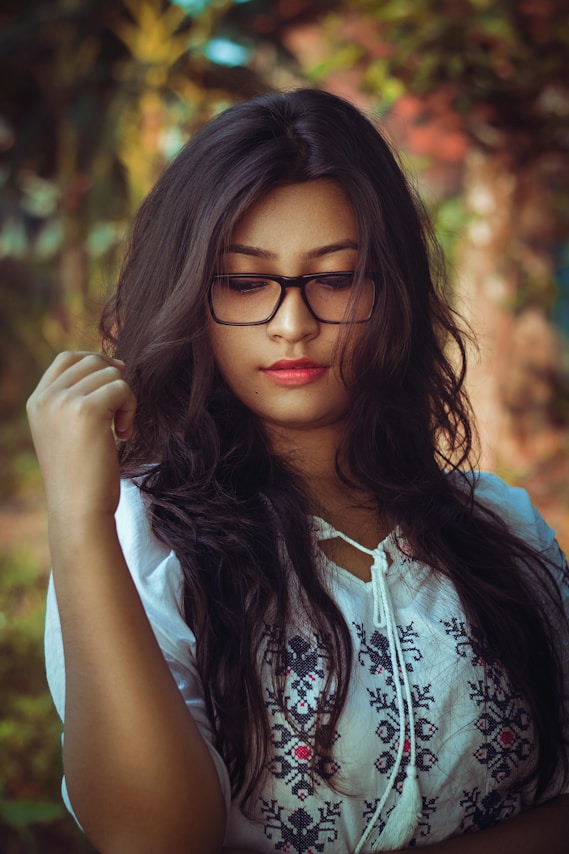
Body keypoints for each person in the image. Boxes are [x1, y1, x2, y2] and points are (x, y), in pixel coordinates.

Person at [27, 88, 569, 854]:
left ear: (394, 293)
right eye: (245, 283)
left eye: (337, 278)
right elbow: (153, 840)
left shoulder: (503, 528)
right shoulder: (134, 544)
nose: (292, 325)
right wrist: (77, 520)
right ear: (189, 297)